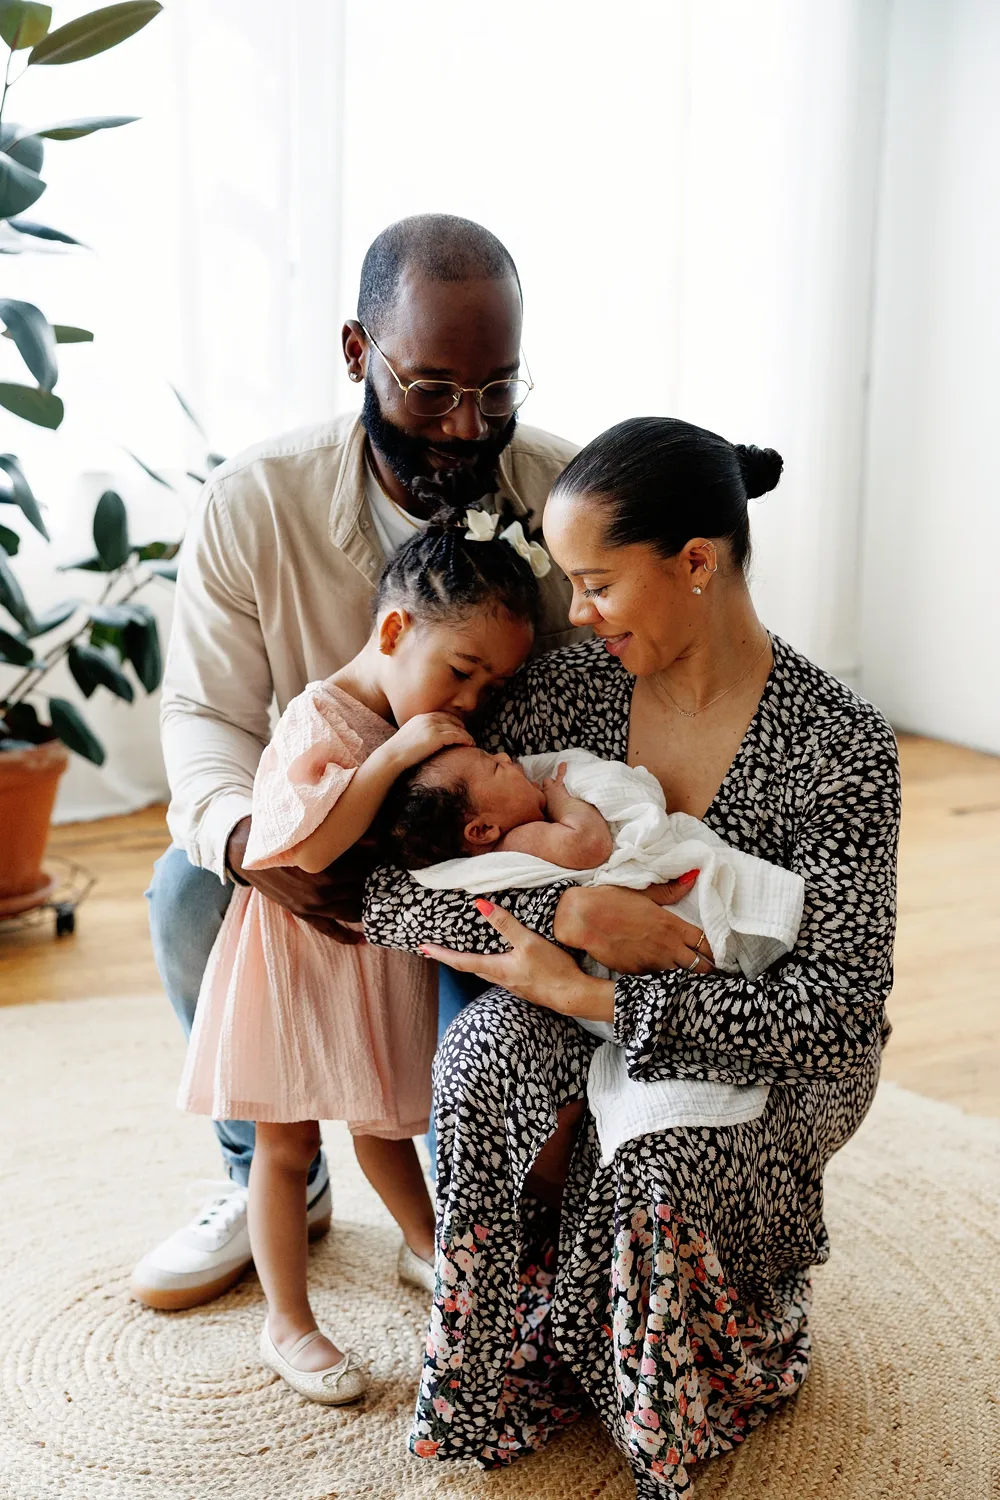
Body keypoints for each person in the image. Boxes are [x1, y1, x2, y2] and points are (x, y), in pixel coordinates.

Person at [363, 416, 901, 1499]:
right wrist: (574, 917)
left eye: (597, 584)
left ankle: (672, 1383)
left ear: (695, 561)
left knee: (656, 1162)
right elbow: (394, 892)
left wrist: (610, 1000)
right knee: (477, 1067)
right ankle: (488, 1368)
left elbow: (840, 1013)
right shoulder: (572, 690)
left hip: (763, 1040)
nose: (575, 613)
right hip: (579, 989)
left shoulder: (841, 747)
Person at [133, 213, 583, 1312]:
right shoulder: (256, 500)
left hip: (486, 838)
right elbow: (202, 712)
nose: (468, 425)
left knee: (489, 1016)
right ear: (356, 352)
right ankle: (268, 1175)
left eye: (497, 390)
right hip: (313, 827)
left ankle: (478, 1211)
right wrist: (253, 844)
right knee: (187, 893)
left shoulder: (562, 492)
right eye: (432, 389)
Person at [176, 513, 542, 1402]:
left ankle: (428, 1244)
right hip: (295, 964)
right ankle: (288, 1320)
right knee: (287, 1141)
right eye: (462, 670)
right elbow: (305, 847)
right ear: (393, 631)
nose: (471, 701)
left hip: (372, 961)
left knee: (384, 1121)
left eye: (492, 685)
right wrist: (400, 754)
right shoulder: (322, 717)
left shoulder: (420, 724)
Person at [381, 747, 614, 867]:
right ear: (483, 830)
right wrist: (561, 801)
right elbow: (588, 844)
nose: (504, 756)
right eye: (495, 767)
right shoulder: (515, 842)